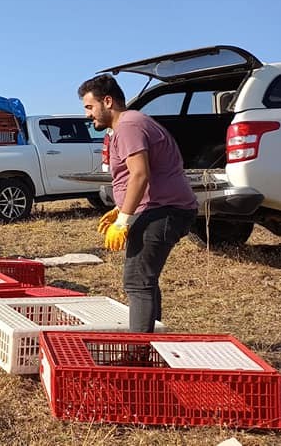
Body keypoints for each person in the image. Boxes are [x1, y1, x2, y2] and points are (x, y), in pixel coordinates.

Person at [79, 74, 198, 333]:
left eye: (89, 107)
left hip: (163, 210)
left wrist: (123, 220)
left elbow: (140, 174)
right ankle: (152, 341)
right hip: (161, 208)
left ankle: (138, 350)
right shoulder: (129, 124)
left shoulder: (128, 126)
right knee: (146, 280)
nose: (87, 114)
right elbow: (138, 175)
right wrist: (120, 207)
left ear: (107, 101)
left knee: (137, 281)